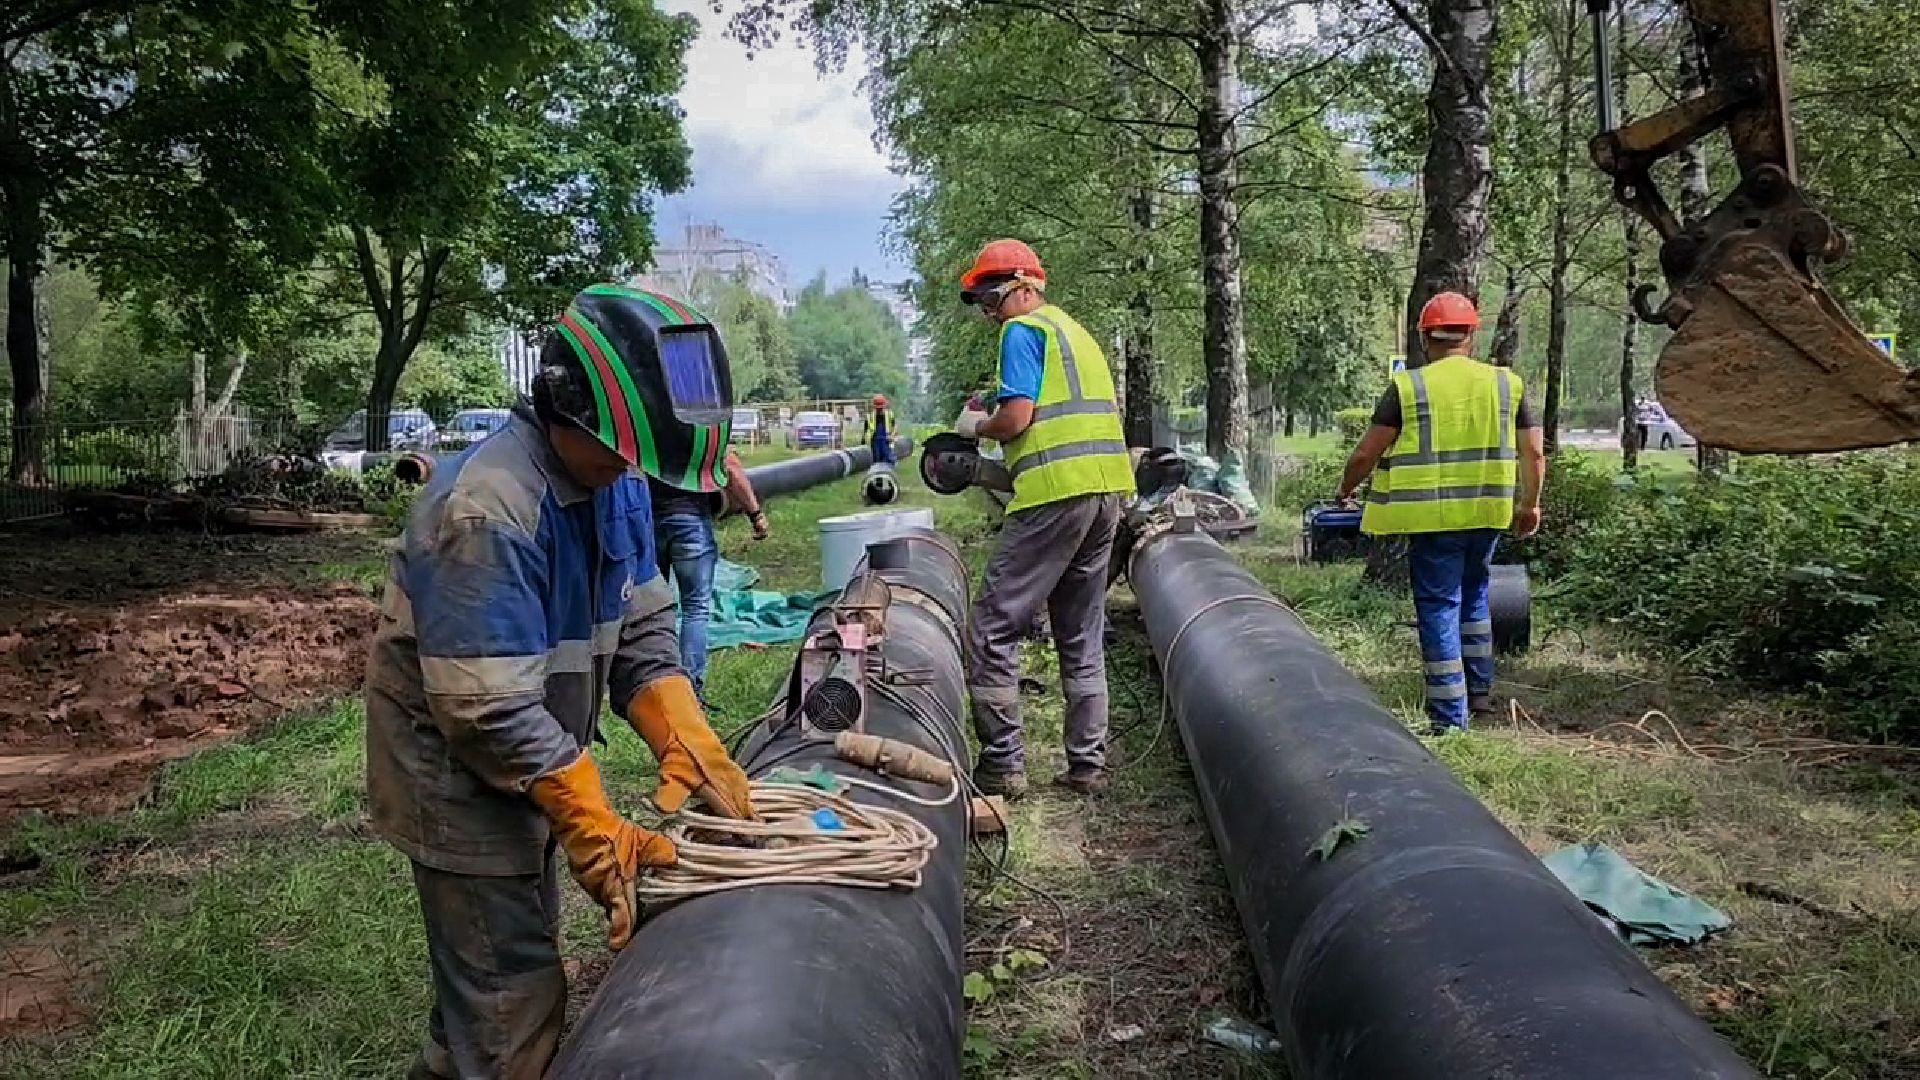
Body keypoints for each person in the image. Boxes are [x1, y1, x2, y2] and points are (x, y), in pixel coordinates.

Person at [364, 283, 756, 1080]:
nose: (633, 474)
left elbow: (643, 621)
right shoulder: (487, 509)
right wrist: (589, 814)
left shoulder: (617, 483)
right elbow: (487, 708)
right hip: (458, 778)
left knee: (488, 975)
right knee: (513, 1000)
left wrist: (680, 728)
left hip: (529, 759)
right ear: (568, 407)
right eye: (626, 454)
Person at [953, 239, 1135, 797]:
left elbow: (1017, 418)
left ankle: (1003, 763)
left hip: (1055, 494)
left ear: (1023, 287)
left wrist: (974, 427)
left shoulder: (1022, 331)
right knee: (1080, 629)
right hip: (1107, 494)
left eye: (991, 295)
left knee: (992, 624)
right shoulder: (1075, 334)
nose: (988, 310)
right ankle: (1088, 765)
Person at [1336, 290, 1546, 735]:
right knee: (1474, 597)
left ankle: (1450, 718)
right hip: (1488, 513)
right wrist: (1529, 505)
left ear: (1424, 337)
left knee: (1438, 606)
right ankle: (1480, 692)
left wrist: (1345, 490)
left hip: (1432, 521)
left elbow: (1366, 453)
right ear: (1471, 334)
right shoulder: (1507, 384)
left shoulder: (1409, 387)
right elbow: (1534, 453)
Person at [651, 447, 770, 698]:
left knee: (653, 610)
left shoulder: (646, 419)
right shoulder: (700, 423)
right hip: (690, 522)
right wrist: (756, 515)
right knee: (695, 608)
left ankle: (654, 683)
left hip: (648, 523)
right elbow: (731, 468)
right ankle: (690, 689)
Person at [870, 393, 896, 465]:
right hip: (875, 441)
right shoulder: (871, 416)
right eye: (878, 408)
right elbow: (868, 430)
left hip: (887, 440)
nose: (879, 410)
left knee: (889, 458)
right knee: (877, 459)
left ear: (884, 406)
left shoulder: (889, 414)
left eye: (881, 408)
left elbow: (894, 426)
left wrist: (892, 435)